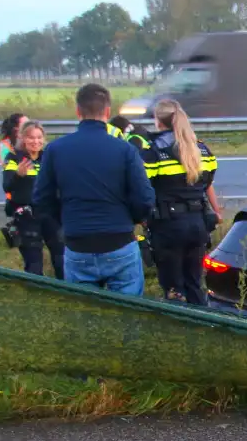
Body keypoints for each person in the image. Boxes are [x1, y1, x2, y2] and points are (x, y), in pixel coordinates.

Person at [32, 83, 156, 296]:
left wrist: (66, 221)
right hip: (119, 239)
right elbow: (145, 198)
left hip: (77, 242)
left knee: (87, 316)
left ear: (78, 111)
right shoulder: (125, 149)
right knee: (128, 315)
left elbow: (41, 198)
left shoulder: (55, 149)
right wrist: (132, 219)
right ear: (107, 112)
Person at [141, 99, 219, 305]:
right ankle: (204, 326)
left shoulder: (154, 151)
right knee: (194, 283)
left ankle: (178, 332)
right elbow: (208, 182)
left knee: (174, 289)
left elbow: (143, 187)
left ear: (158, 121)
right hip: (199, 225)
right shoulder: (202, 149)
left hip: (168, 227)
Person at [2, 121, 64, 279]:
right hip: (27, 217)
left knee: (61, 258)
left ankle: (66, 295)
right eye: (30, 138)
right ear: (22, 138)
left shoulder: (49, 157)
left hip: (51, 215)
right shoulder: (14, 158)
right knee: (34, 263)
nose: (35, 141)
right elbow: (7, 186)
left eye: (39, 137)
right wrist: (18, 175)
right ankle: (36, 297)